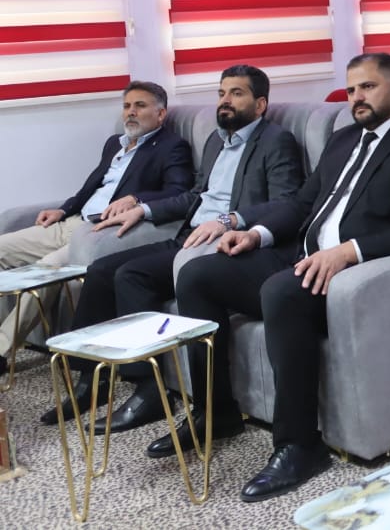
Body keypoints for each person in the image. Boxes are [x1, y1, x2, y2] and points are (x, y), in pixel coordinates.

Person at [162, 53, 390, 503]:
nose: (357, 98)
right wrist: (255, 233)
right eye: (352, 90)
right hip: (301, 256)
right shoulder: (343, 139)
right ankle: (215, 411)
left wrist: (348, 252)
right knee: (198, 274)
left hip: (354, 272)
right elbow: (301, 204)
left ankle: (300, 445)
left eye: (368, 87)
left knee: (281, 292)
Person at [38, 66, 304, 429]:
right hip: (189, 235)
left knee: (133, 276)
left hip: (227, 242)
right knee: (102, 271)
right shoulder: (216, 141)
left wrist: (231, 220)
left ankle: (149, 393)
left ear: (260, 105)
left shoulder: (276, 140)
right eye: (221, 93)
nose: (225, 101)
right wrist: (144, 209)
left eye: (236, 93)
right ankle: (91, 381)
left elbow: (287, 201)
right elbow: (195, 195)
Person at [0, 81, 193, 377]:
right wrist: (63, 209)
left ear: (161, 114)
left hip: (98, 233)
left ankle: (1, 351)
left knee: (45, 271)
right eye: (127, 106)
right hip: (71, 222)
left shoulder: (171, 147)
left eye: (140, 106)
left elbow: (180, 191)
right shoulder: (114, 144)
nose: (130, 112)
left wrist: (137, 198)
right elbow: (91, 188)